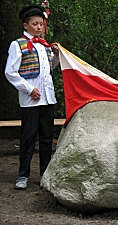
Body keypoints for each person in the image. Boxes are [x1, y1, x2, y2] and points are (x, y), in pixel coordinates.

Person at [4, 4, 59, 190]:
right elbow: (10, 72)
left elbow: (49, 69)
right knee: (28, 137)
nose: (38, 27)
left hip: (47, 99)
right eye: (35, 24)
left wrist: (57, 56)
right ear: (25, 25)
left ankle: (45, 174)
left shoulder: (45, 46)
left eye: (41, 24)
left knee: (46, 137)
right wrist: (28, 89)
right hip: (30, 100)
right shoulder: (17, 45)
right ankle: (23, 175)